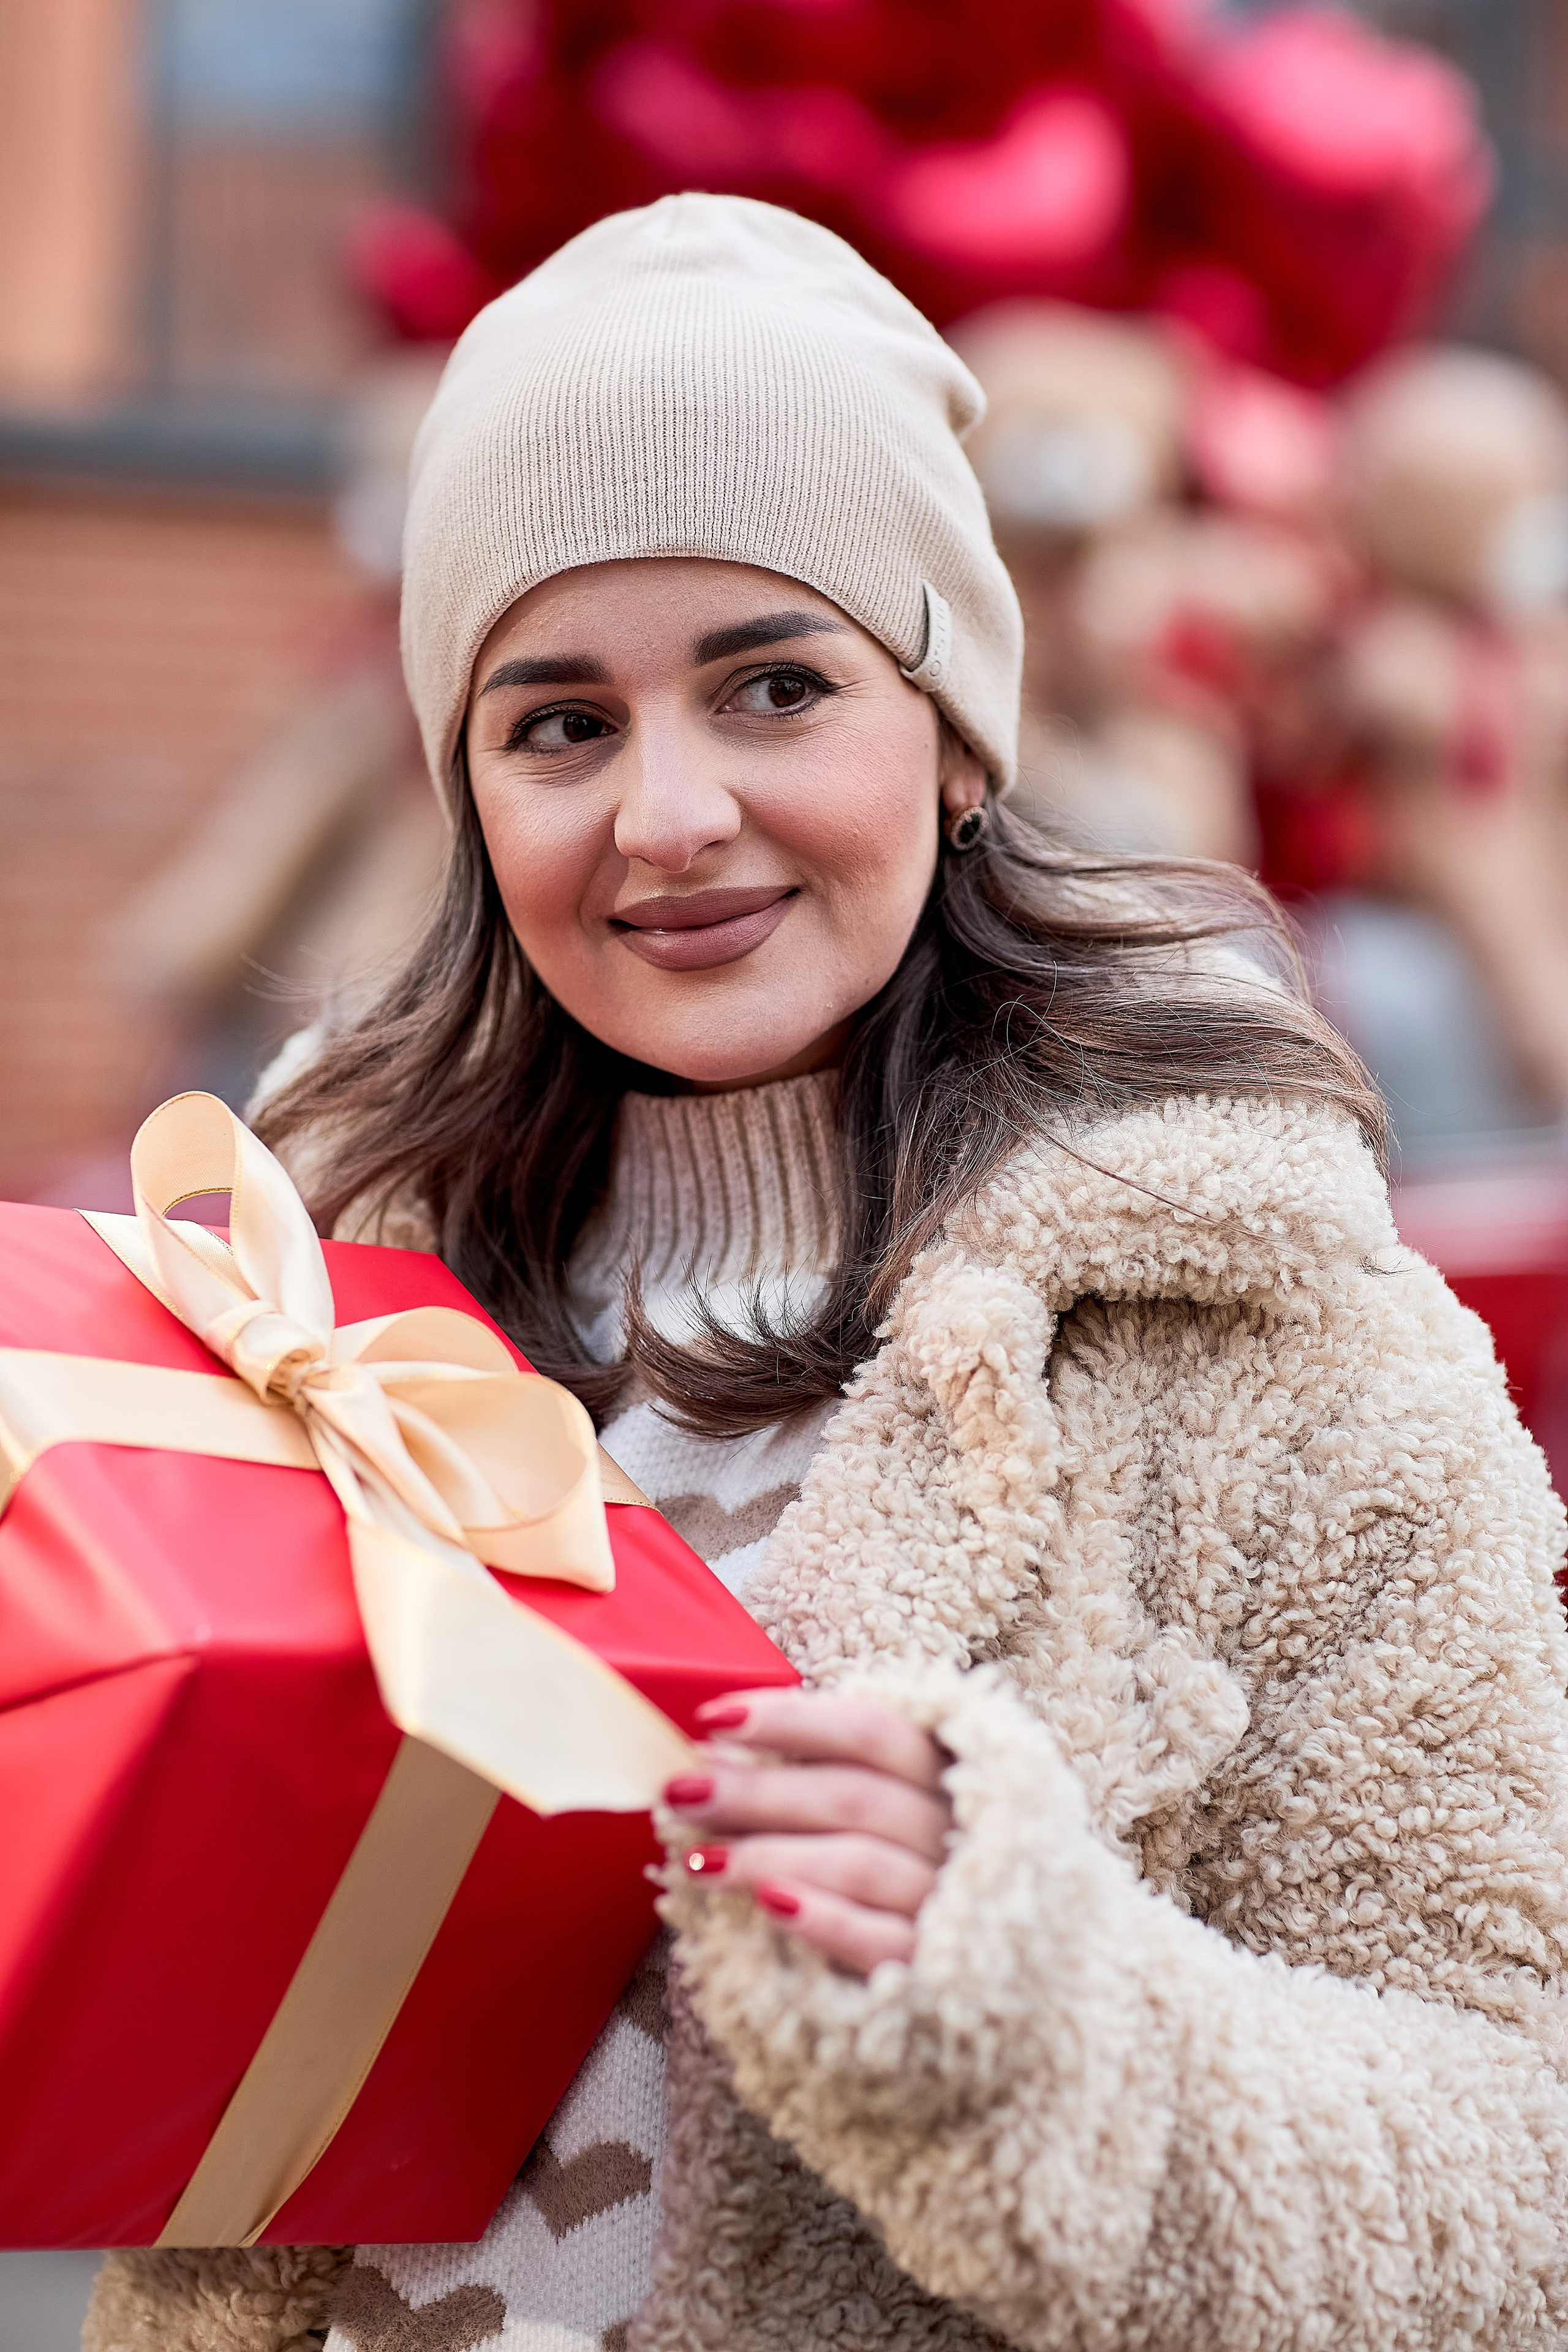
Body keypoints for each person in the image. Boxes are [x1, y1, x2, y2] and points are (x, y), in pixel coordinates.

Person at [86, 195, 1568, 2352]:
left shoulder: (1275, 1343)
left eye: (775, 686)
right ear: (469, 790)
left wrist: (1041, 2007)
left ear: (957, 731)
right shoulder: (285, 1331)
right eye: (560, 723)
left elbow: (1522, 2187)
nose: (671, 814)